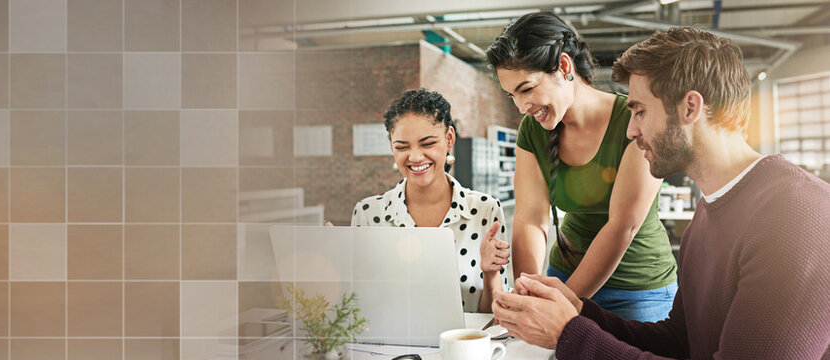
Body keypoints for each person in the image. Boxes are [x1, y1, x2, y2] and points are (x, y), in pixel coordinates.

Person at [492, 27, 830, 359]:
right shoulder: (706, 216)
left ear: (690, 108)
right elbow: (679, 341)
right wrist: (580, 311)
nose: (630, 129)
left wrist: (571, 334)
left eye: (639, 111)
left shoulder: (799, 218)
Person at [481, 11, 677, 321]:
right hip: (563, 275)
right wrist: (530, 290)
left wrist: (560, 302)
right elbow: (531, 219)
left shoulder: (634, 119)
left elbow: (621, 226)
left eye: (527, 88)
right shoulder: (533, 129)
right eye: (512, 95)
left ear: (563, 66)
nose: (521, 107)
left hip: (638, 290)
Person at [351, 88, 507, 313]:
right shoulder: (367, 214)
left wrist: (491, 274)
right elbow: (359, 308)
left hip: (462, 346)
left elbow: (495, 319)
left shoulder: (484, 211)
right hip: (391, 348)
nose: (414, 157)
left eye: (427, 144)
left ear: (449, 138)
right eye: (402, 147)